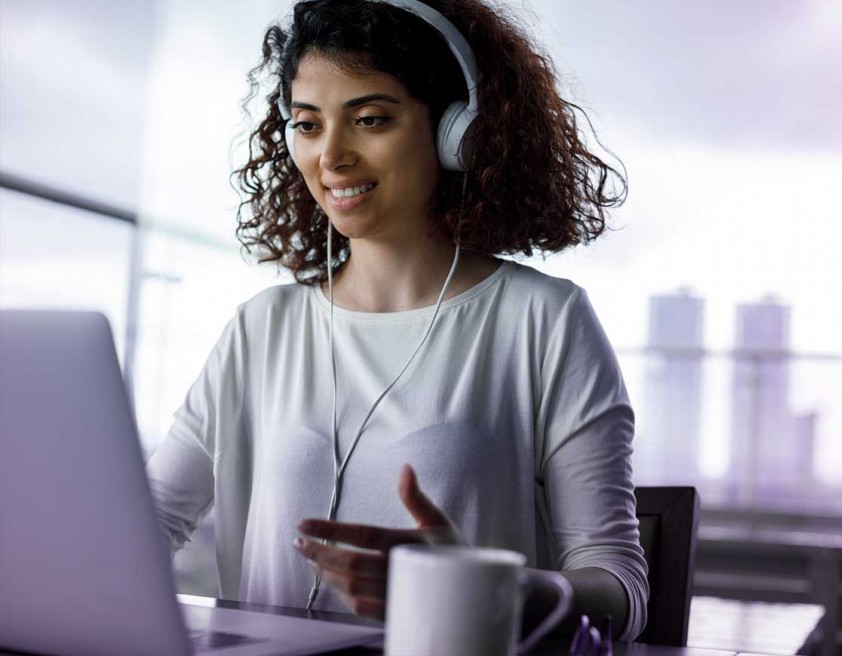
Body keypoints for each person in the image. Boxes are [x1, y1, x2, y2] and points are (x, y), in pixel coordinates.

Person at [147, 0, 649, 642]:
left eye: (370, 120)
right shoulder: (261, 328)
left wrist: (482, 586)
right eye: (308, 124)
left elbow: (622, 589)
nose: (331, 156)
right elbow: (146, 524)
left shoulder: (545, 321)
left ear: (456, 132)